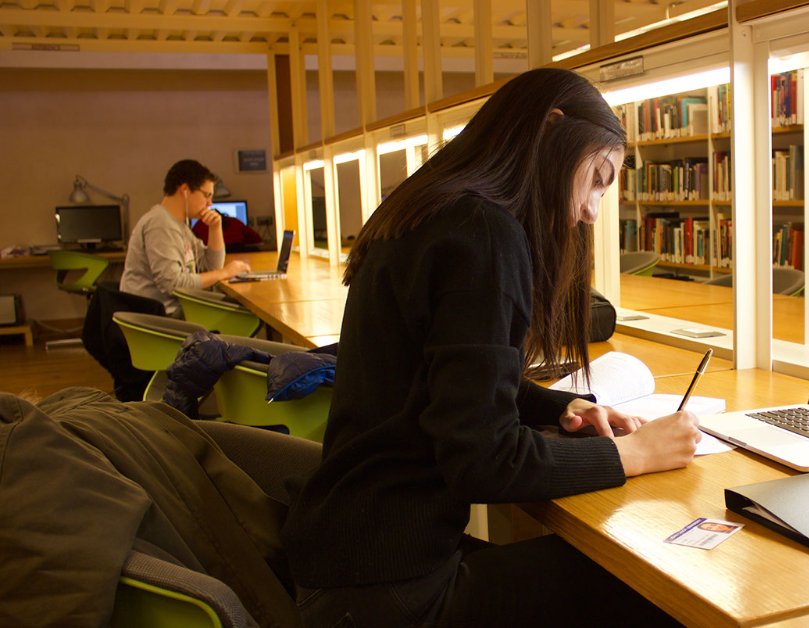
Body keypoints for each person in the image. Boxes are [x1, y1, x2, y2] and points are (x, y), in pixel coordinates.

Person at [282, 68, 700, 628]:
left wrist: (560, 407)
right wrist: (637, 455)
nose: (592, 211)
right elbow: (485, 462)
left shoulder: (432, 209)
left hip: (353, 565)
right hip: (392, 595)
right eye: (597, 178)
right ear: (551, 132)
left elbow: (446, 380)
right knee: (654, 591)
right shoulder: (485, 233)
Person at [120, 160, 251, 316]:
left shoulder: (180, 225)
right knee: (243, 314)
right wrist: (224, 273)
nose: (210, 203)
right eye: (207, 195)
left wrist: (215, 228)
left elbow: (211, 267)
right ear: (185, 190)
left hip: (176, 310)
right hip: (161, 318)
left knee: (240, 311)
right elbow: (173, 285)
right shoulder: (160, 224)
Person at [191, 213, 263, 253]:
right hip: (237, 253)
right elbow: (257, 239)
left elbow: (191, 241)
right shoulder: (234, 221)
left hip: (212, 253)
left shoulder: (200, 223)